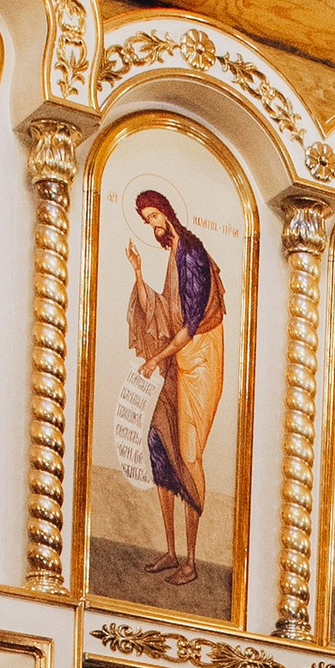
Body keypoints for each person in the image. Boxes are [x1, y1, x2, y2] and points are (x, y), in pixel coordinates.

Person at [126, 190, 228, 582]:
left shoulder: (190, 254)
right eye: (147, 219)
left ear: (167, 213)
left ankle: (191, 560)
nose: (152, 225)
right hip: (179, 359)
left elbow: (191, 324)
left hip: (200, 362)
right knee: (159, 442)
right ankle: (170, 551)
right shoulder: (173, 253)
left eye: (154, 216)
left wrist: (156, 358)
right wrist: (138, 274)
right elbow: (164, 312)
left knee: (188, 455)